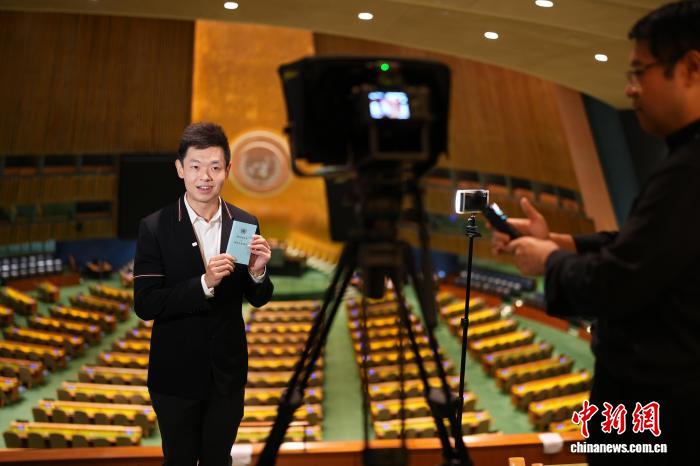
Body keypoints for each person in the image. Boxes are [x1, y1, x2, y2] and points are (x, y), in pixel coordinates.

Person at [491, 2, 700, 465]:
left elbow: (617, 282)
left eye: (639, 72)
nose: (630, 88)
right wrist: (560, 243)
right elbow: (645, 249)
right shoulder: (682, 163)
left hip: (663, 412)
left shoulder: (688, 171)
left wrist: (547, 260)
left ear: (690, 68)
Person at [134, 122, 274, 465]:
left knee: (218, 460)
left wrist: (257, 272)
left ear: (228, 169)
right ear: (180, 168)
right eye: (195, 166)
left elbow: (256, 297)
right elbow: (146, 303)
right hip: (174, 376)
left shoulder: (244, 222)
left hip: (227, 375)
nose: (205, 177)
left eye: (214, 167)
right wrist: (204, 284)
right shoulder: (154, 227)